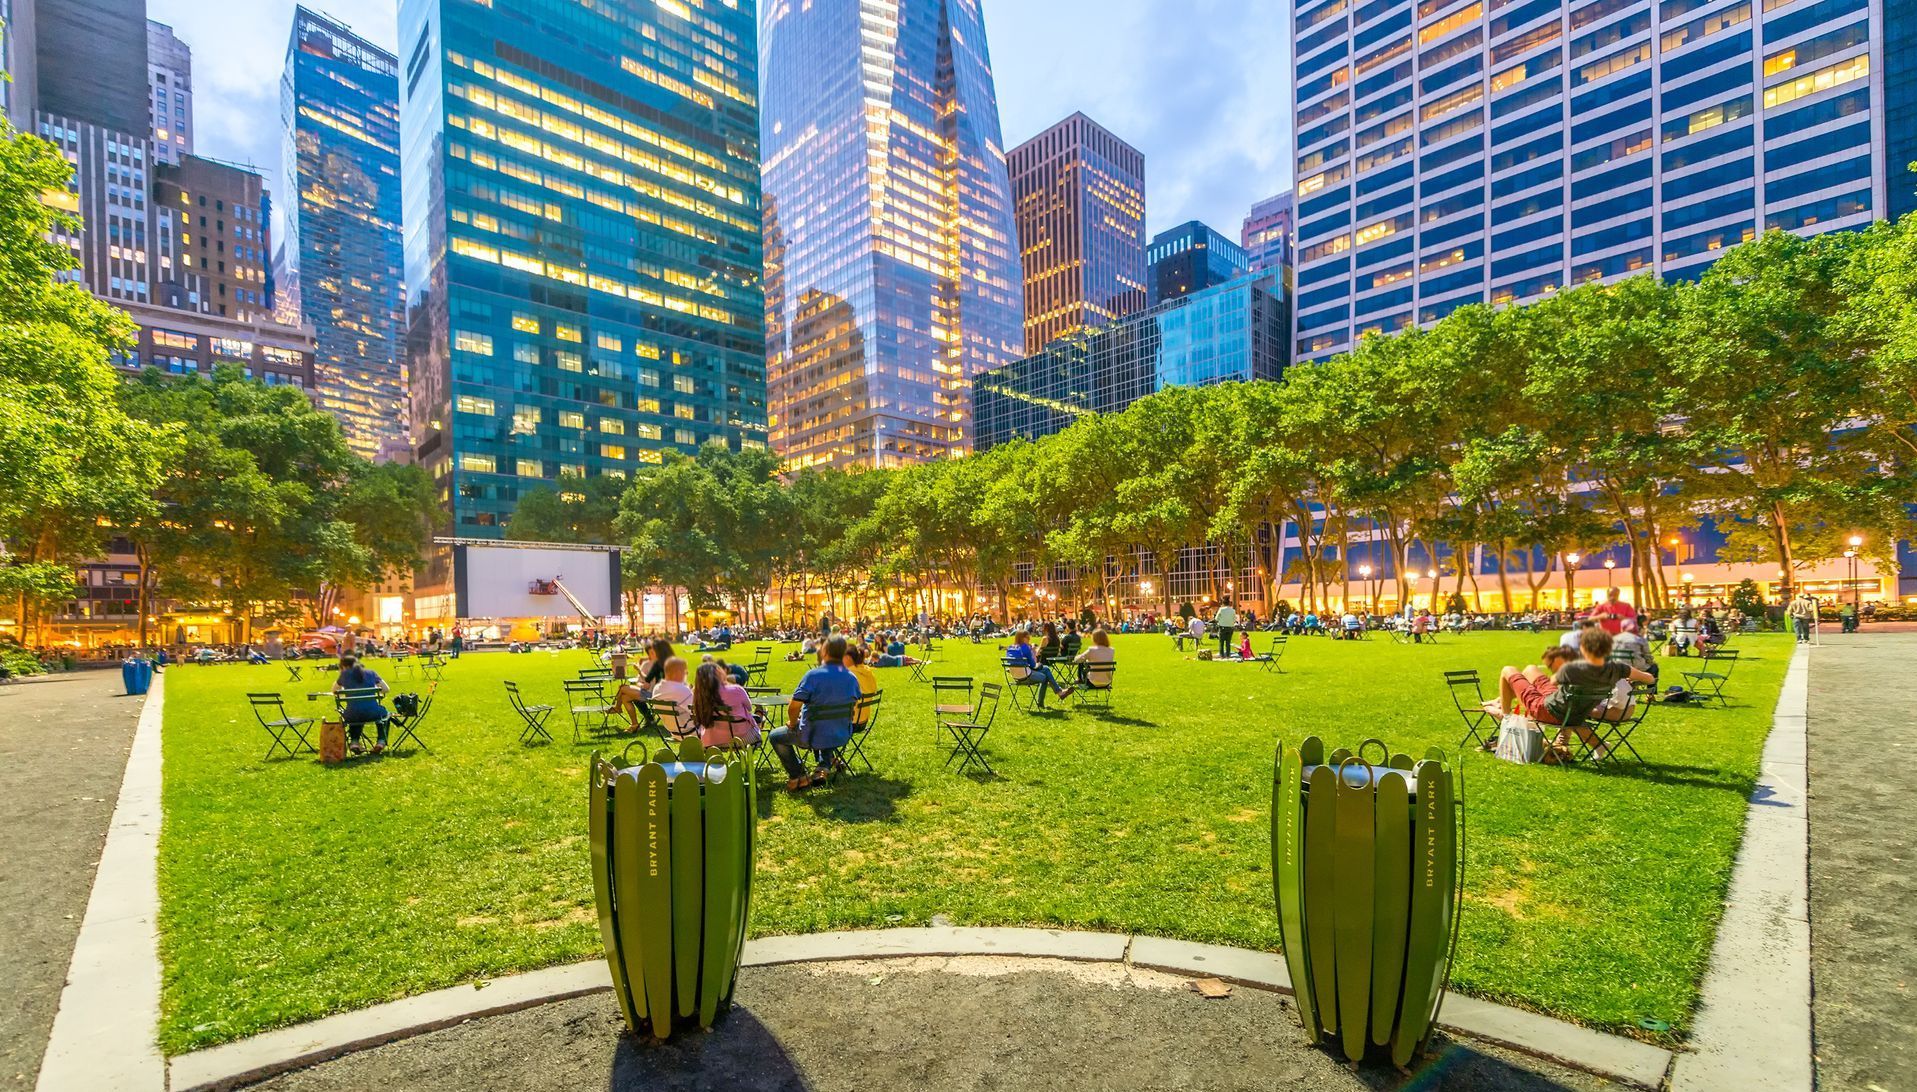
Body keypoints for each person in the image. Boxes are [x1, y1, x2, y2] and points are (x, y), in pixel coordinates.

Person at [773, 636, 862, 791]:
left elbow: (794, 707)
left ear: (825, 651)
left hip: (811, 735)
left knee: (775, 736)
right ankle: (823, 765)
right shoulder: (851, 677)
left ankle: (797, 775)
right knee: (825, 725)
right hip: (840, 732)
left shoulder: (813, 676)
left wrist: (793, 723)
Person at [691, 661, 760, 749]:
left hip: (710, 742)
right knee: (757, 718)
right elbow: (749, 708)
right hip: (740, 739)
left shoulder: (698, 695)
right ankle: (761, 712)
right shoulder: (736, 690)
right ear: (719, 673)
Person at [333, 654, 392, 754]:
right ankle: (381, 742)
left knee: (355, 711)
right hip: (372, 713)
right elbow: (386, 689)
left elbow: (334, 691)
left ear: (344, 667)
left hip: (352, 715)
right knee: (385, 714)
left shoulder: (344, 675)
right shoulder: (371, 673)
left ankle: (354, 742)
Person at [1005, 630, 1073, 705]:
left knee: (1046, 669)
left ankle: (1059, 692)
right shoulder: (1025, 648)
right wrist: (1033, 652)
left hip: (1015, 676)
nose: (1029, 639)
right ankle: (1048, 698)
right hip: (1026, 676)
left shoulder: (1010, 648)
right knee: (1045, 677)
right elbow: (1033, 665)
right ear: (1023, 638)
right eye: (1028, 637)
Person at [846, 644, 879, 725]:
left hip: (851, 722)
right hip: (863, 720)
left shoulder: (848, 674)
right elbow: (874, 690)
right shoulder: (867, 671)